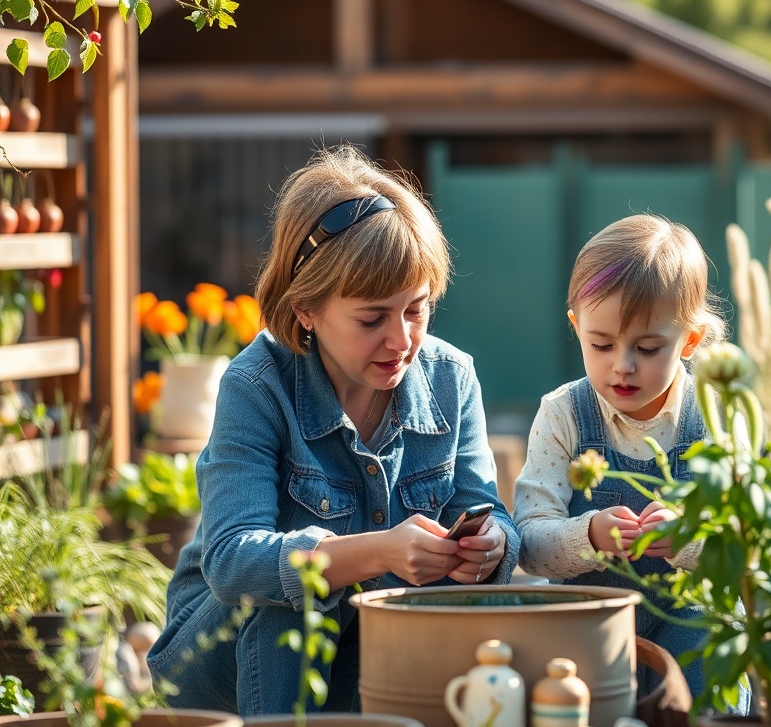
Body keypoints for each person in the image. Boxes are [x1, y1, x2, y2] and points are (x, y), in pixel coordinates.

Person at [148, 144, 520, 716]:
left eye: (416, 309)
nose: (401, 340)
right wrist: (376, 553)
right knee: (292, 592)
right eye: (372, 318)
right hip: (221, 657)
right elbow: (231, 560)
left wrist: (489, 546)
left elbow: (487, 511)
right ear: (304, 309)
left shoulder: (451, 377)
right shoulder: (257, 386)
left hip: (365, 651)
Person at [513, 213, 749, 713]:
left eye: (646, 348)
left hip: (693, 629)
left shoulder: (714, 415)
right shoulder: (563, 415)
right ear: (576, 327)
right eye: (601, 345)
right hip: (586, 631)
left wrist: (689, 539)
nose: (622, 364)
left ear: (688, 341)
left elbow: (747, 547)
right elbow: (529, 545)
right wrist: (589, 534)